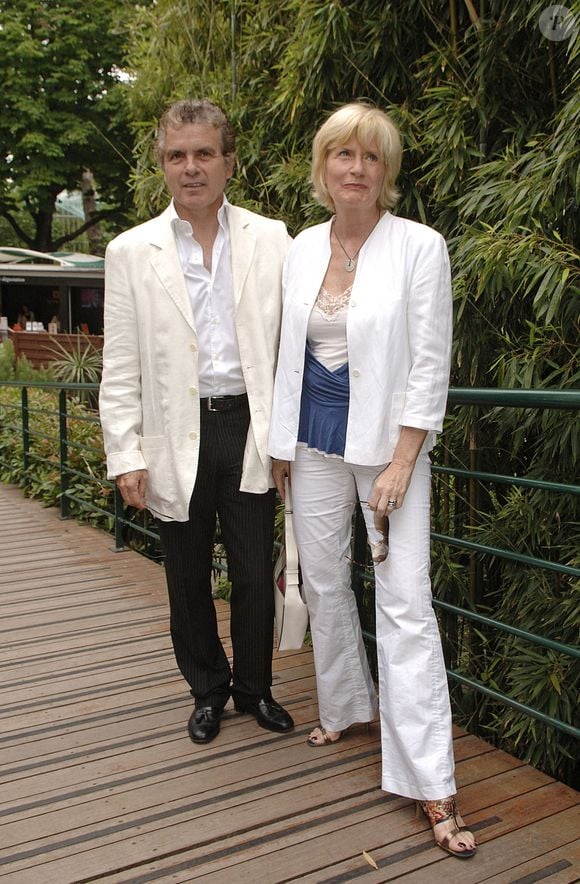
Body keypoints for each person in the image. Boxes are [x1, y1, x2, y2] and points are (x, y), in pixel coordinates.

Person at [268, 102, 476, 859]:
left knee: (406, 603)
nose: (355, 168)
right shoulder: (300, 247)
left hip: (391, 454)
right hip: (313, 443)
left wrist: (403, 459)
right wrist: (281, 444)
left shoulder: (420, 247)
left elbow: (429, 359)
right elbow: (289, 349)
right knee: (324, 580)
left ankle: (431, 782)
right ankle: (349, 705)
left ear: (387, 171)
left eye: (371, 157)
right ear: (323, 166)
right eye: (342, 155)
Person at [99, 98, 294, 745]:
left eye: (203, 153)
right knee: (185, 577)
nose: (191, 167)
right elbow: (120, 362)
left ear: (229, 162)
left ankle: (255, 689)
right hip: (174, 433)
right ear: (162, 165)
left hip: (248, 426)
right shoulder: (130, 252)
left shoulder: (271, 239)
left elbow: (292, 352)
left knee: (250, 575)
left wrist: (287, 436)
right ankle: (207, 690)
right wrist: (125, 452)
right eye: (177, 155)